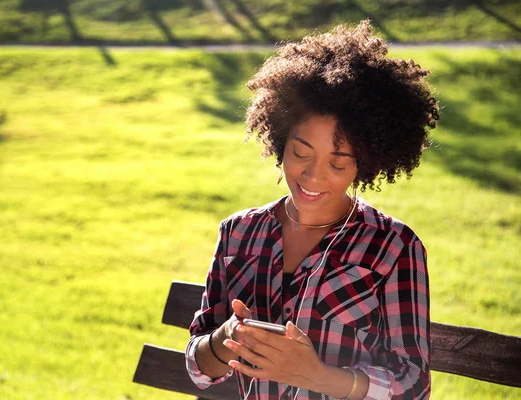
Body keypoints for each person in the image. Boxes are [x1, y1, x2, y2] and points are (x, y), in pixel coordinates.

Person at [185, 20, 439, 400]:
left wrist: (315, 375)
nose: (313, 176)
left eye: (338, 163)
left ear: (366, 163)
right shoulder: (238, 233)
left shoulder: (393, 247)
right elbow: (199, 366)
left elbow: (413, 385)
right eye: (301, 153)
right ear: (280, 140)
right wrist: (226, 339)